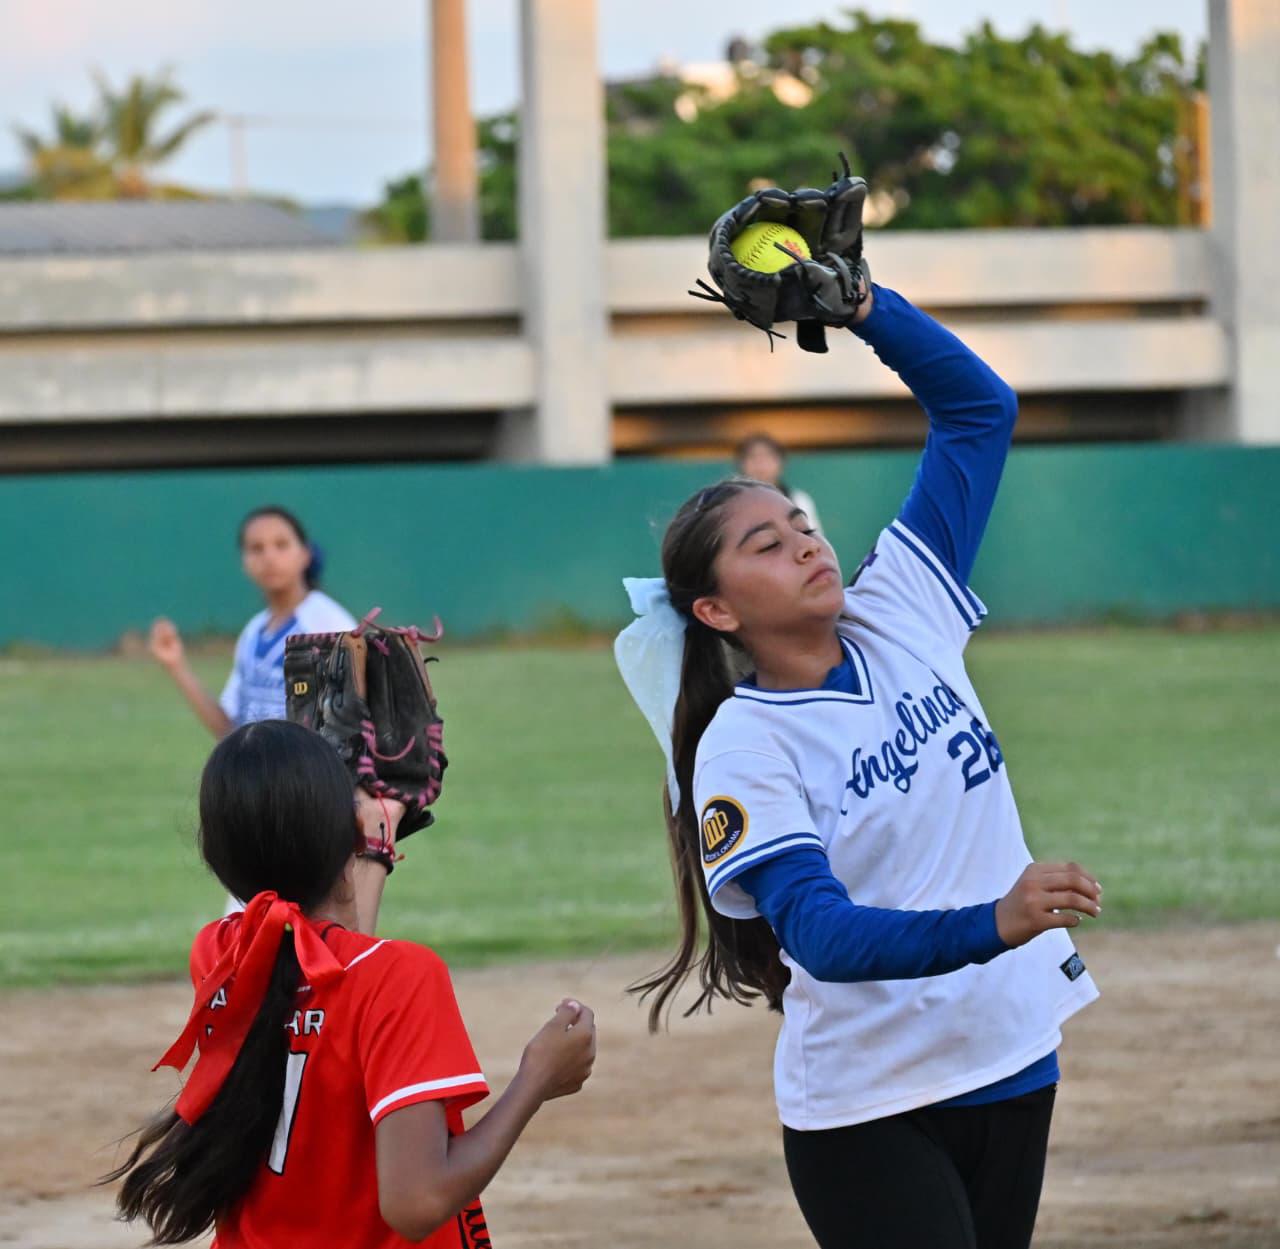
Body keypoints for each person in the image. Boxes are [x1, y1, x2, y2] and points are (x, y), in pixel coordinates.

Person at [614, 274, 1101, 1249]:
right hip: (871, 1104)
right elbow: (821, 937)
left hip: (1012, 1048)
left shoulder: (897, 609)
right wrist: (992, 920)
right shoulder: (743, 745)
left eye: (799, 523)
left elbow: (977, 411)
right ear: (715, 610)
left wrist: (863, 307)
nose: (804, 542)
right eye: (765, 543)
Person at [105, 720, 596, 1247]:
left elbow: (332, 957)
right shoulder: (402, 977)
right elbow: (418, 1202)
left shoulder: (220, 957)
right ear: (346, 841)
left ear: (216, 860)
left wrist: (367, 844)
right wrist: (536, 1080)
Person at [148, 506, 356, 739]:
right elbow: (229, 730)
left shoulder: (328, 623)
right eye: (256, 548)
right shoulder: (253, 632)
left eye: (281, 545)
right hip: (255, 774)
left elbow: (349, 727)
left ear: (305, 554)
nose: (269, 557)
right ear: (244, 562)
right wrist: (176, 666)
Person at [735, 432, 824, 535]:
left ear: (780, 462)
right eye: (752, 457)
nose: (760, 463)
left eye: (767, 456)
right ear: (741, 464)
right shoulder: (731, 505)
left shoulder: (799, 500)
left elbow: (814, 539)